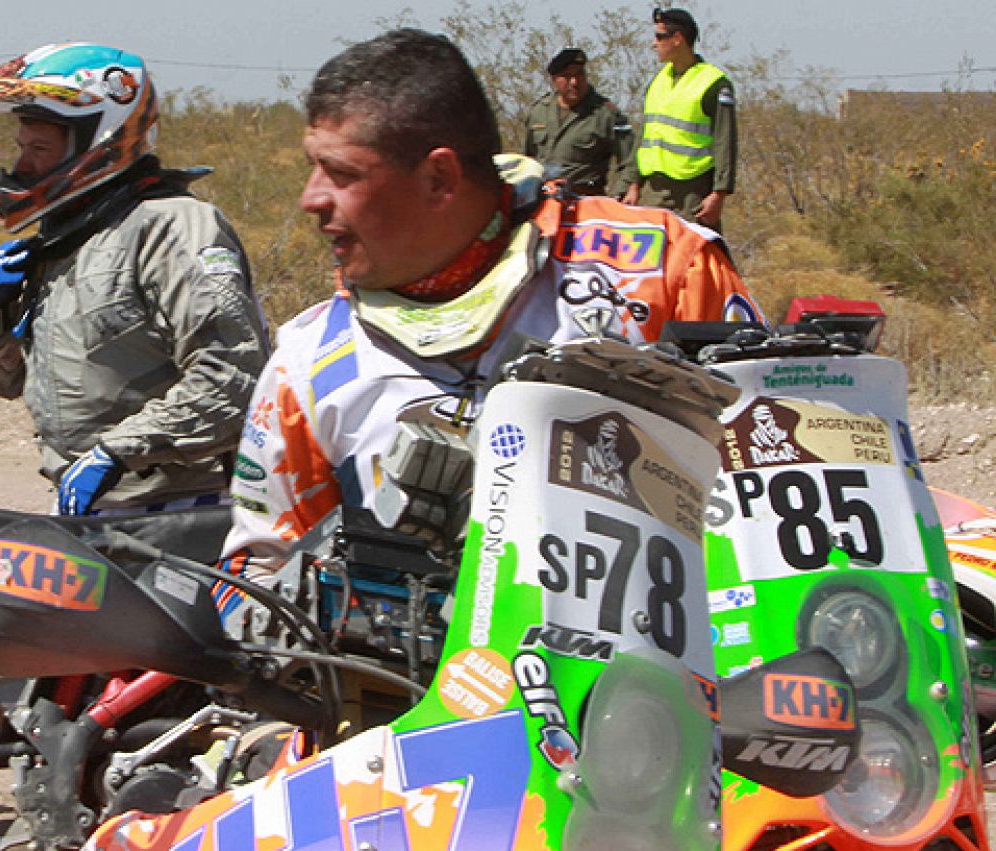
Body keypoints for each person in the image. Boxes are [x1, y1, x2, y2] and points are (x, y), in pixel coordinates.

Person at [218, 29, 762, 593]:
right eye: (313, 168)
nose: (310, 198)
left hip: (666, 667)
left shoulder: (664, 267)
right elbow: (257, 573)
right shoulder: (306, 365)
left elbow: (778, 472)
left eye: (342, 174)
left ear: (439, 178)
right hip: (415, 674)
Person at [0, 43, 270, 517]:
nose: (23, 167)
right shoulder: (65, 240)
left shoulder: (170, 227)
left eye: (39, 149)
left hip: (183, 508)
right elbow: (4, 382)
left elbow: (234, 374)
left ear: (96, 140)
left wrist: (119, 451)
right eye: (23, 148)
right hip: (93, 508)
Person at [623, 8, 736, 231]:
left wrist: (719, 193)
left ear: (677, 39)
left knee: (697, 259)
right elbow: (645, 136)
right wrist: (633, 183)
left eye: (659, 37)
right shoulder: (658, 80)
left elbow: (726, 141)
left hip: (692, 193)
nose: (654, 44)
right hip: (655, 192)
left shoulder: (713, 82)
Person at [521, 46, 636, 197]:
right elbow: (527, 161)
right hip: (544, 200)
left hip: (584, 201)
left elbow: (630, 160)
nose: (574, 82)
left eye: (579, 74)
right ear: (555, 80)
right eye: (567, 76)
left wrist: (621, 193)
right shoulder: (538, 112)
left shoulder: (605, 114)